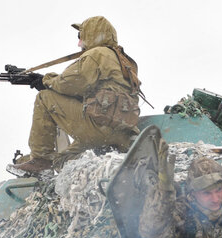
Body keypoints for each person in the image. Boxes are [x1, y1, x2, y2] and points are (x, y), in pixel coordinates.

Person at [9, 16, 141, 176]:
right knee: (62, 159)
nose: (79, 43)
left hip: (99, 126)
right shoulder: (122, 60)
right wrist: (44, 78)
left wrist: (44, 80)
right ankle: (104, 160)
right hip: (123, 134)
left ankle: (41, 161)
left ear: (93, 34)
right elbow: (85, 89)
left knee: (44, 97)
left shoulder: (96, 54)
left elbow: (71, 83)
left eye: (81, 36)